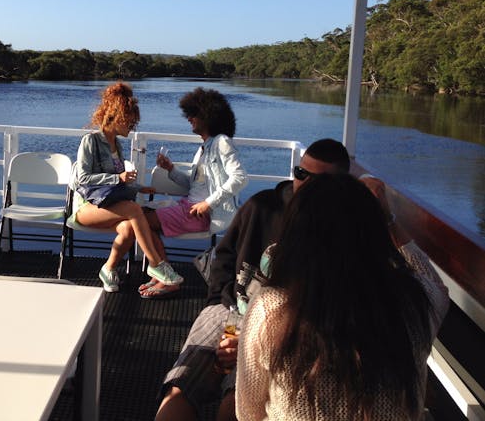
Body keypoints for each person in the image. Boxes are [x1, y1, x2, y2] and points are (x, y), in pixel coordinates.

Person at [155, 138, 352, 421]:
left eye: (318, 181)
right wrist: (218, 302)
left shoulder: (341, 234)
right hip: (230, 308)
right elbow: (224, 257)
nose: (304, 185)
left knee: (234, 407)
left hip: (278, 334)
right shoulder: (262, 207)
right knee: (179, 388)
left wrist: (254, 342)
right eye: (300, 174)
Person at [235, 173, 449, 420]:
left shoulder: (271, 309)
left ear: (296, 236)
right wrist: (390, 220)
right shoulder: (412, 304)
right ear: (375, 234)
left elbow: (248, 413)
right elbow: (437, 288)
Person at [70, 82, 184, 292]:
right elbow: (83, 178)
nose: (133, 127)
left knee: (130, 226)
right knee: (134, 210)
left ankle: (108, 268)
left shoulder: (117, 145)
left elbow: (117, 183)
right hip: (86, 207)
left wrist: (139, 188)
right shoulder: (91, 140)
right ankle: (156, 265)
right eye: (130, 122)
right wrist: (118, 179)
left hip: (107, 204)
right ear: (117, 117)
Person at [139, 87, 248, 299]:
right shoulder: (204, 148)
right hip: (188, 205)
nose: (189, 119)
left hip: (201, 213)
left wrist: (208, 203)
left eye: (193, 114)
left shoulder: (222, 143)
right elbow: (193, 185)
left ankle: (166, 277)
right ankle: (164, 272)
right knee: (138, 216)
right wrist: (170, 169)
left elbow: (240, 178)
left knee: (142, 220)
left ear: (208, 116)